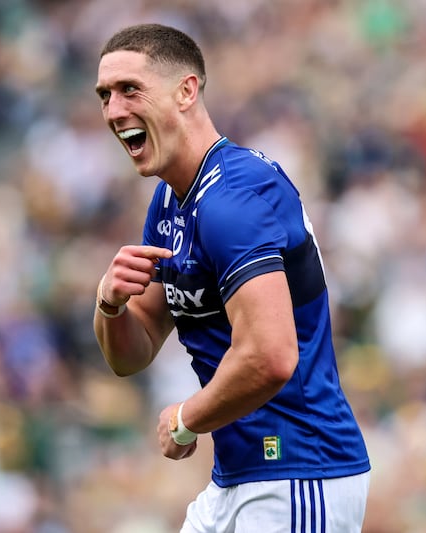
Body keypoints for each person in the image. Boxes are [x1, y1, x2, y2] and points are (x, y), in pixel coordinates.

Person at [92, 23, 371, 532]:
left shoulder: (233, 198)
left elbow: (271, 355)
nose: (113, 111)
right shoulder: (173, 199)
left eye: (130, 89)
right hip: (240, 476)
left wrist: (186, 418)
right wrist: (109, 305)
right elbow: (134, 350)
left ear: (186, 90)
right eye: (105, 96)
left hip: (298, 471)